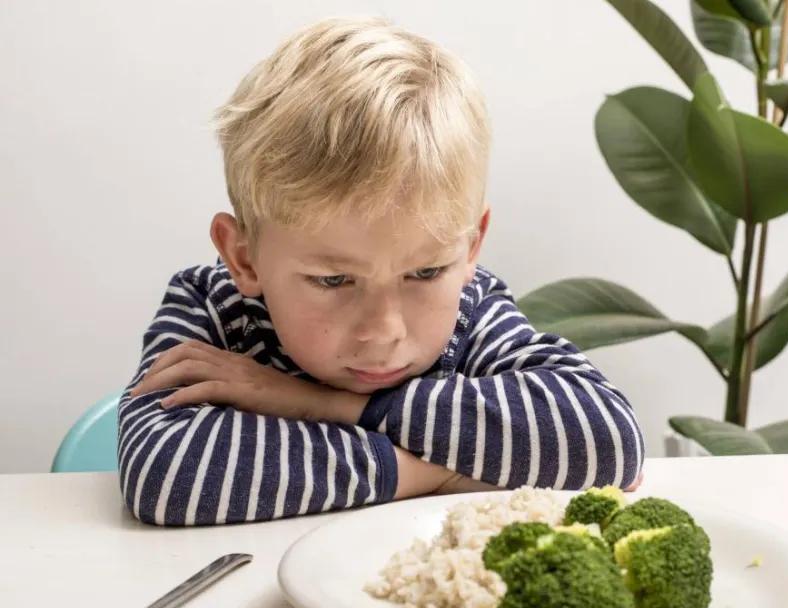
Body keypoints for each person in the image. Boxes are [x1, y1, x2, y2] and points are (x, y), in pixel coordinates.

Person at [117, 16, 645, 527]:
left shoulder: (472, 309)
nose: (384, 332)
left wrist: (319, 404)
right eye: (332, 280)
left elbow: (609, 439)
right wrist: (428, 475)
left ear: (470, 248)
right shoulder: (212, 308)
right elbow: (168, 476)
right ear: (245, 258)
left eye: (425, 273)